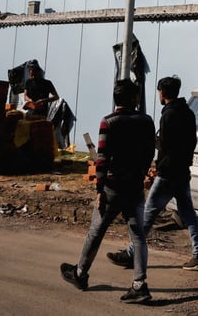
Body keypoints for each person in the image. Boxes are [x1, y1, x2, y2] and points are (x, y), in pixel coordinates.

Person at [61, 79, 156, 304]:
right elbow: (149, 152)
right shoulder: (146, 121)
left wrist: (99, 189)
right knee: (138, 237)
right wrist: (142, 173)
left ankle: (80, 273)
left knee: (96, 231)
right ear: (133, 98)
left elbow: (102, 158)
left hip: (112, 188)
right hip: (134, 187)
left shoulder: (109, 122)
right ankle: (139, 285)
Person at [107, 75, 198, 272]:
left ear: (162, 93)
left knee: (147, 214)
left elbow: (166, 146)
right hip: (182, 172)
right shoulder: (188, 113)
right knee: (188, 214)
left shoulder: (168, 115)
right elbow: (189, 143)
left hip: (168, 174)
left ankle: (132, 253)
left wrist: (157, 167)